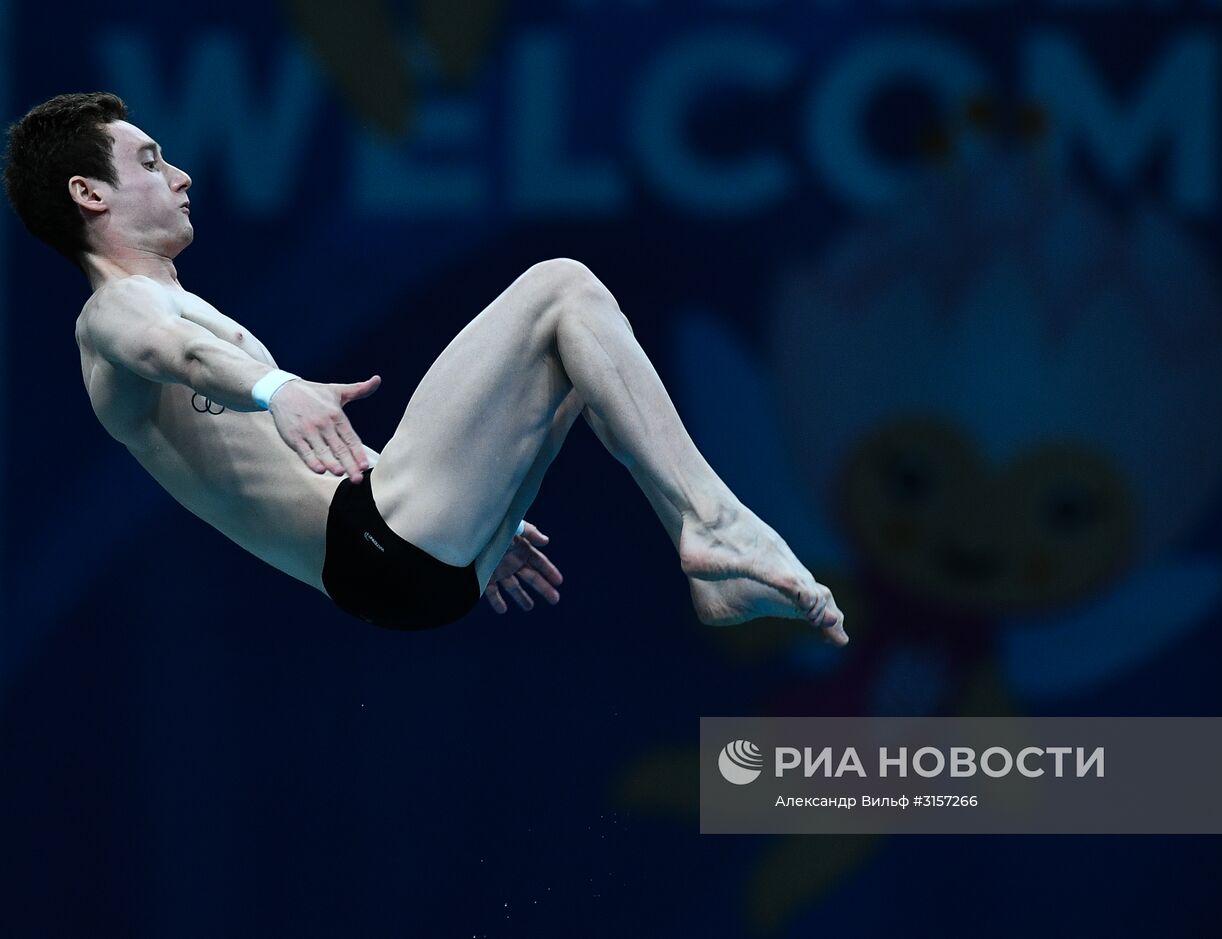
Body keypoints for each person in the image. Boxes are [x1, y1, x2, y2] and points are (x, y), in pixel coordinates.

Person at [2, 91, 848, 643]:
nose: (180, 174)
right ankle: (711, 526)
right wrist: (278, 387)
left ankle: (707, 549)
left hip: (406, 561)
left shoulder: (182, 302)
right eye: (150, 160)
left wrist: (480, 509)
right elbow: (173, 352)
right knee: (559, 285)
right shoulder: (111, 312)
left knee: (575, 342)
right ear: (89, 194)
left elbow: (279, 467)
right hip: (376, 542)